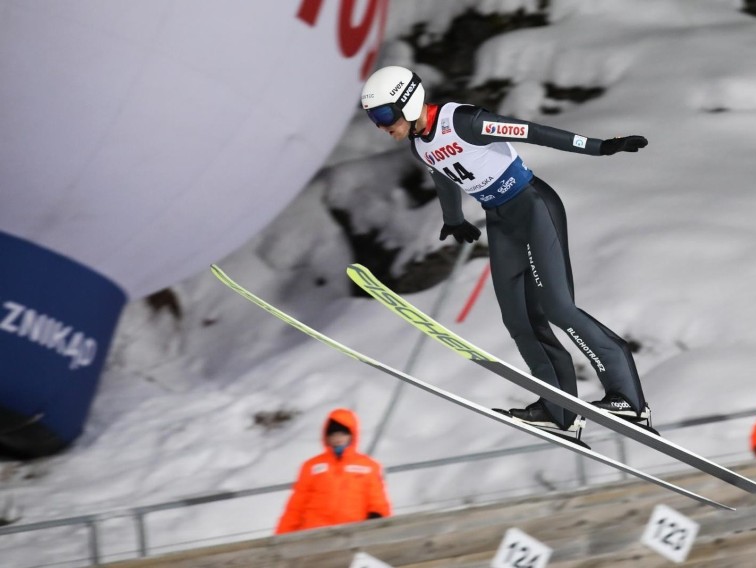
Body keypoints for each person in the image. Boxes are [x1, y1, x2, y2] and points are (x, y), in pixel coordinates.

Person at [360, 66, 651, 442]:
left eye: (384, 115)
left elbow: (534, 132)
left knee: (558, 307)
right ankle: (558, 409)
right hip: (499, 220)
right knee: (519, 319)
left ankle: (627, 396)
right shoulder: (419, 143)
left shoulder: (463, 121)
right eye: (373, 119)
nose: (382, 126)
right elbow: (442, 174)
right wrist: (454, 218)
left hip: (532, 206)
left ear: (409, 101)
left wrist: (599, 146)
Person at [274, 408, 391, 534]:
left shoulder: (369, 466)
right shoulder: (310, 466)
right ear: (326, 437)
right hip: (316, 535)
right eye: (333, 434)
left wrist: (376, 520)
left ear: (352, 435)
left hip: (354, 533)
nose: (337, 438)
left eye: (342, 434)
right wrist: (281, 537)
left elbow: (378, 502)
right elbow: (296, 506)